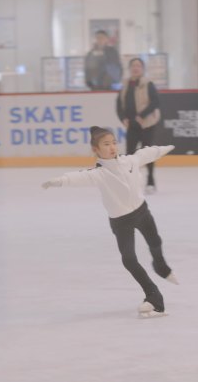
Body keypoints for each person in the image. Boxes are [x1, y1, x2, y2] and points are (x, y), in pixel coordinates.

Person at [41, 126, 178, 318]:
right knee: (129, 259)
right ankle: (154, 296)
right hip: (121, 221)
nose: (112, 147)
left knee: (155, 241)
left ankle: (161, 266)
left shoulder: (130, 161)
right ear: (96, 150)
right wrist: (58, 180)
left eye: (114, 142)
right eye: (106, 144)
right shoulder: (99, 173)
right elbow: (77, 177)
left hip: (141, 211)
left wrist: (164, 148)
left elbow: (146, 153)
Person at [116, 58, 162, 194]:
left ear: (142, 69)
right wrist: (122, 118)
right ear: (130, 69)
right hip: (131, 125)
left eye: (138, 66)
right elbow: (119, 104)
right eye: (133, 66)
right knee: (130, 154)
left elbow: (155, 102)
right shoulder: (125, 85)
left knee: (147, 154)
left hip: (146, 124)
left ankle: (150, 181)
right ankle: (130, 182)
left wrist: (142, 115)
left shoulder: (148, 84)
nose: (136, 68)